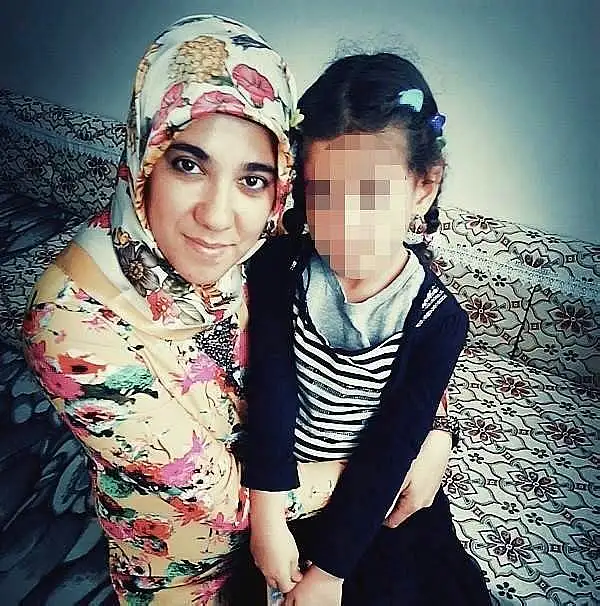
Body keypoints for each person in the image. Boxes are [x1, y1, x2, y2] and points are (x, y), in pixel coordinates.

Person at [21, 15, 349, 605]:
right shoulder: (69, 324)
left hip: (304, 528)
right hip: (183, 568)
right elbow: (223, 500)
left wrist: (432, 427)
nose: (218, 217)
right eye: (189, 164)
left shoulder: (268, 245)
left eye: (252, 179)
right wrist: (377, 470)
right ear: (145, 157)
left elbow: (390, 310)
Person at [243, 53, 492, 605]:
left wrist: (329, 574)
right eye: (323, 194)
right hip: (287, 489)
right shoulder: (279, 270)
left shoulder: (438, 321)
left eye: (372, 194)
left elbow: (392, 446)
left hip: (375, 501)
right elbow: (269, 394)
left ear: (424, 187)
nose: (345, 225)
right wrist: (268, 517)